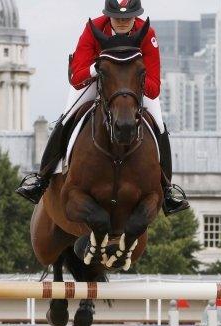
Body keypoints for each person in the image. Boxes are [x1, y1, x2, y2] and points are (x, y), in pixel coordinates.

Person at [15, 0, 190, 216]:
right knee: (68, 116)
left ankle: (167, 190)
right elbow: (77, 77)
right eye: (118, 18)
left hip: (132, 87)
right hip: (96, 80)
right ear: (108, 15)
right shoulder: (93, 29)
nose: (123, 22)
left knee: (159, 125)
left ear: (136, 15)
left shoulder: (147, 33)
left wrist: (132, 80)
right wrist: (98, 70)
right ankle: (41, 179)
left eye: (128, 17)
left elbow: (153, 89)